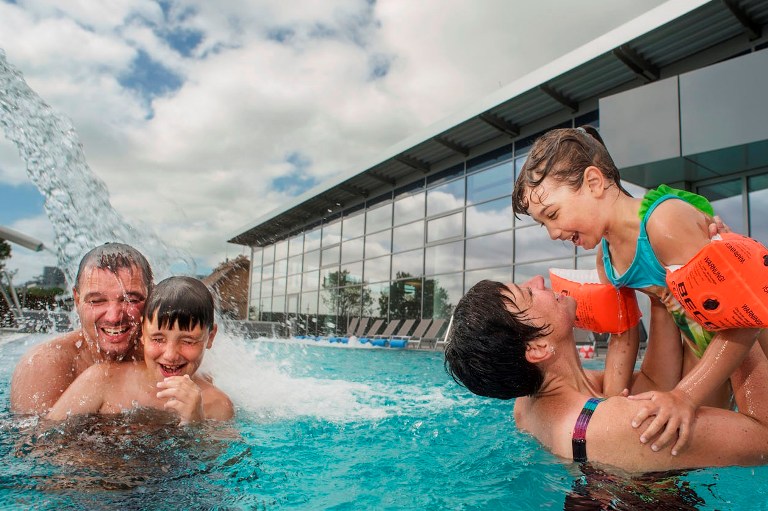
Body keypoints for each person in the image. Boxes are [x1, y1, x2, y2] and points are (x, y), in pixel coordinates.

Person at [511, 126, 762, 455]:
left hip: (750, 343)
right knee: (698, 460)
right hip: (701, 346)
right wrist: (610, 405)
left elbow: (744, 318)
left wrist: (685, 396)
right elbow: (622, 335)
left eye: (553, 215)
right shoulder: (607, 259)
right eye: (543, 224)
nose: (553, 233)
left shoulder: (664, 223)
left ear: (594, 182)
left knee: (756, 441)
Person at [444, 276, 768, 473]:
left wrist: (659, 293)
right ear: (538, 348)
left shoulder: (526, 406)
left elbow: (657, 383)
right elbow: (763, 438)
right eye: (528, 294)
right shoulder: (617, 425)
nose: (539, 282)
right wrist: (730, 307)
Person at [47, 276, 234, 424]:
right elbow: (45, 439)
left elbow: (218, 467)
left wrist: (195, 424)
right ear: (143, 332)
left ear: (210, 337)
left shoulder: (217, 405)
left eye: (187, 341)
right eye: (158, 339)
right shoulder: (102, 380)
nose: (170, 355)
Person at [10, 242, 153, 415]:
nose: (114, 317)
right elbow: (32, 440)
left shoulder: (167, 360)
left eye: (130, 299)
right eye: (96, 301)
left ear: (151, 297)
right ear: (77, 301)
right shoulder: (43, 366)